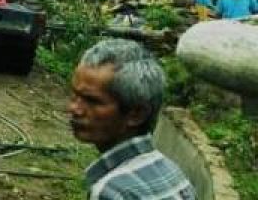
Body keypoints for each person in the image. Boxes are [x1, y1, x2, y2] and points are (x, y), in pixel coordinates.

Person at [69, 39, 195, 200]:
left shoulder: (113, 192)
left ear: (136, 114)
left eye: (92, 101)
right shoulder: (173, 174)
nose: (74, 109)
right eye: (75, 95)